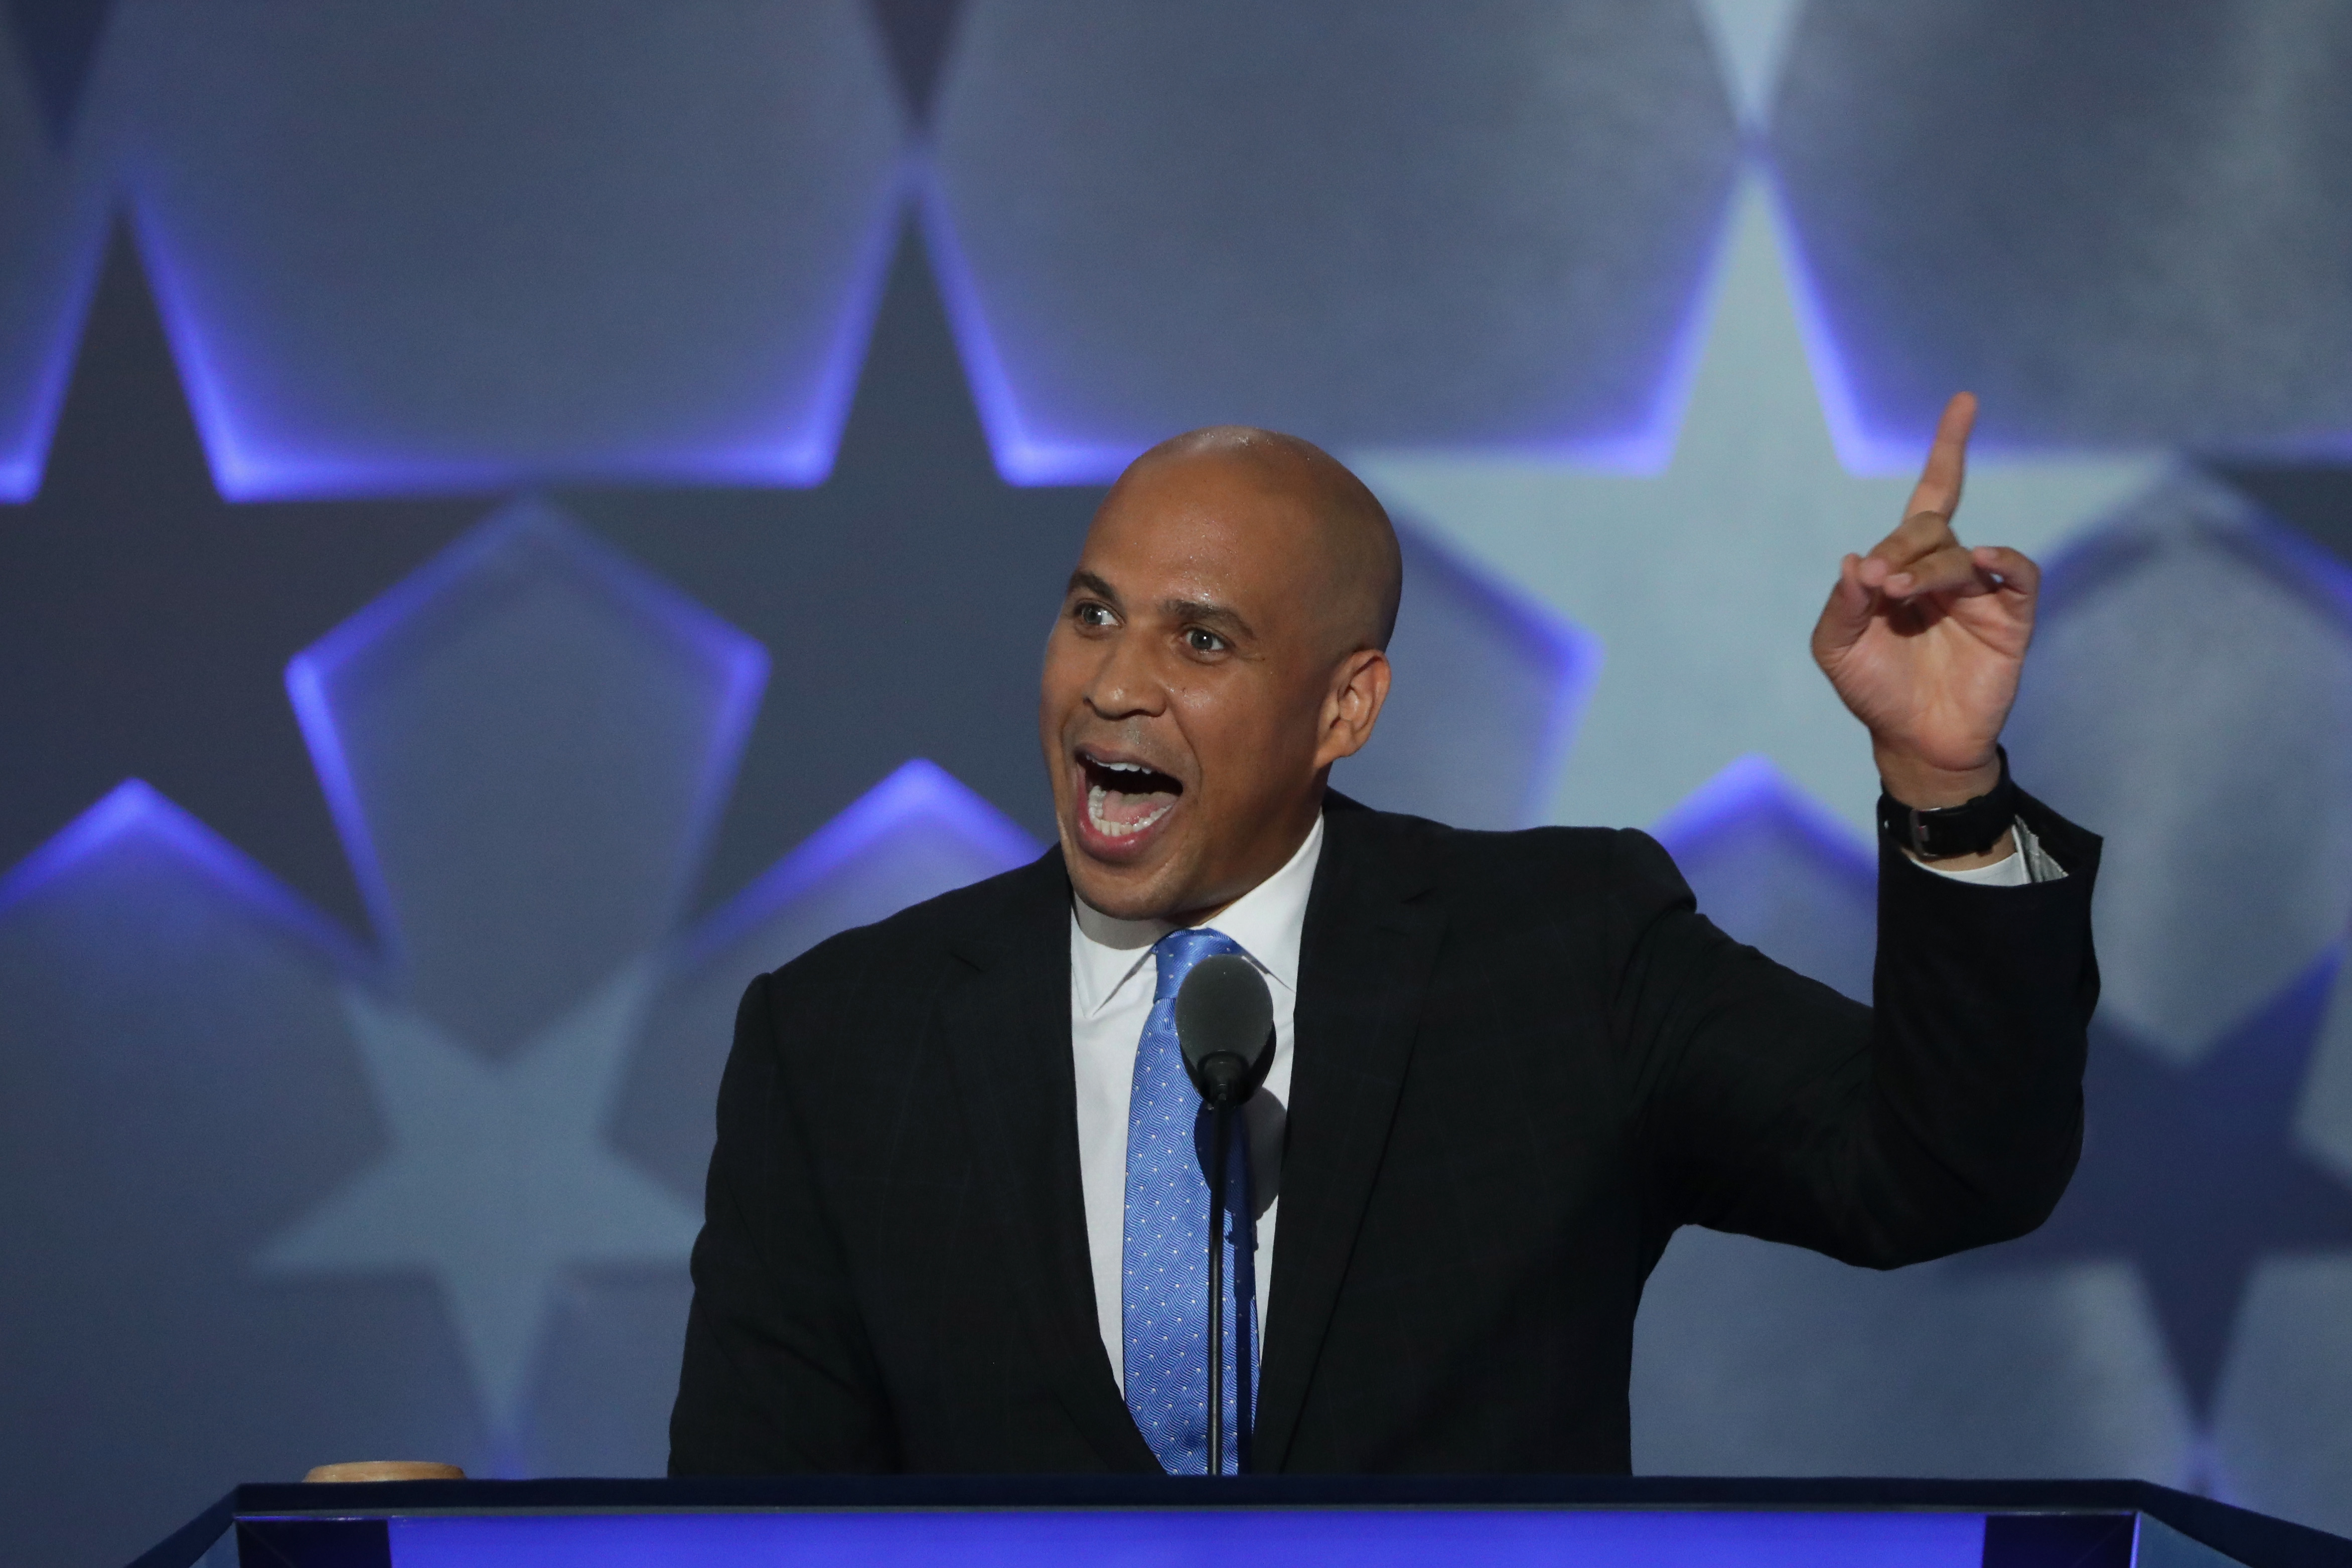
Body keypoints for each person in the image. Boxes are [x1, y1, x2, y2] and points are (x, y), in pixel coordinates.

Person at [668, 395, 2099, 1476]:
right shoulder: (845, 1037)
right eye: (1093, 613)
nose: (1114, 685)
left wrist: (1943, 784)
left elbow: (1944, 1172)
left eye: (1201, 641)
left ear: (1346, 709)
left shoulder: (1565, 958)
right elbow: (752, 1522)